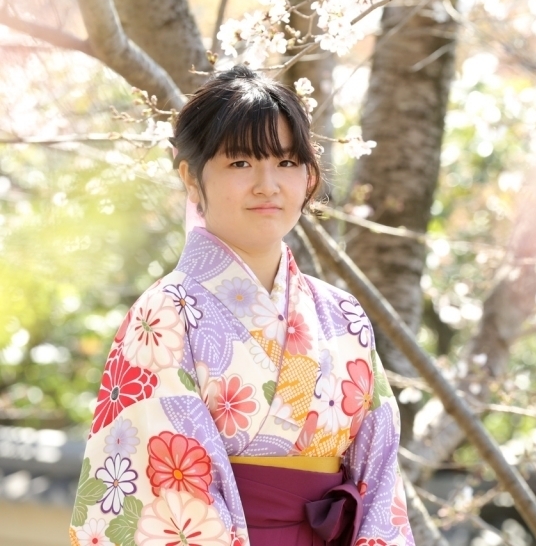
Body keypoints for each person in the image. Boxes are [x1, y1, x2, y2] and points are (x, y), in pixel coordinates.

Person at [69, 65, 414, 546]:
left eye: (287, 163)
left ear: (309, 175)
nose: (267, 185)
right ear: (191, 177)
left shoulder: (343, 314)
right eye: (241, 163)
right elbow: (168, 487)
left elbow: (378, 480)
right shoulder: (166, 315)